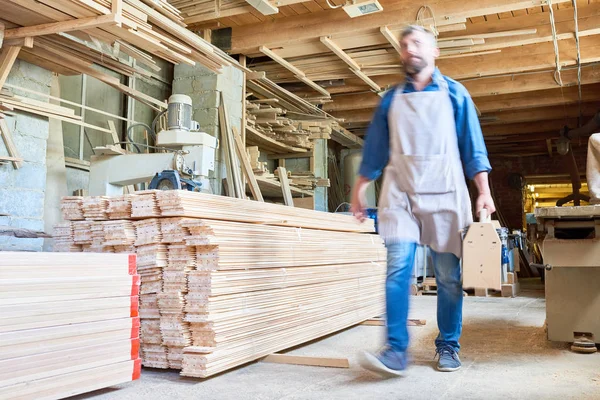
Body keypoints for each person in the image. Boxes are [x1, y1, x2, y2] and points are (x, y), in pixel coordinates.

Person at [351, 25, 496, 376]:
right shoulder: (391, 98)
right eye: (404, 45)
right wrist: (359, 189)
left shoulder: (455, 94)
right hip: (400, 193)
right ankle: (396, 351)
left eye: (417, 43)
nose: (409, 49)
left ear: (434, 52)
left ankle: (448, 345)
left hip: (446, 194)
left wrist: (484, 191)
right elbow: (374, 149)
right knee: (398, 269)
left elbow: (472, 149)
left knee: (448, 277)